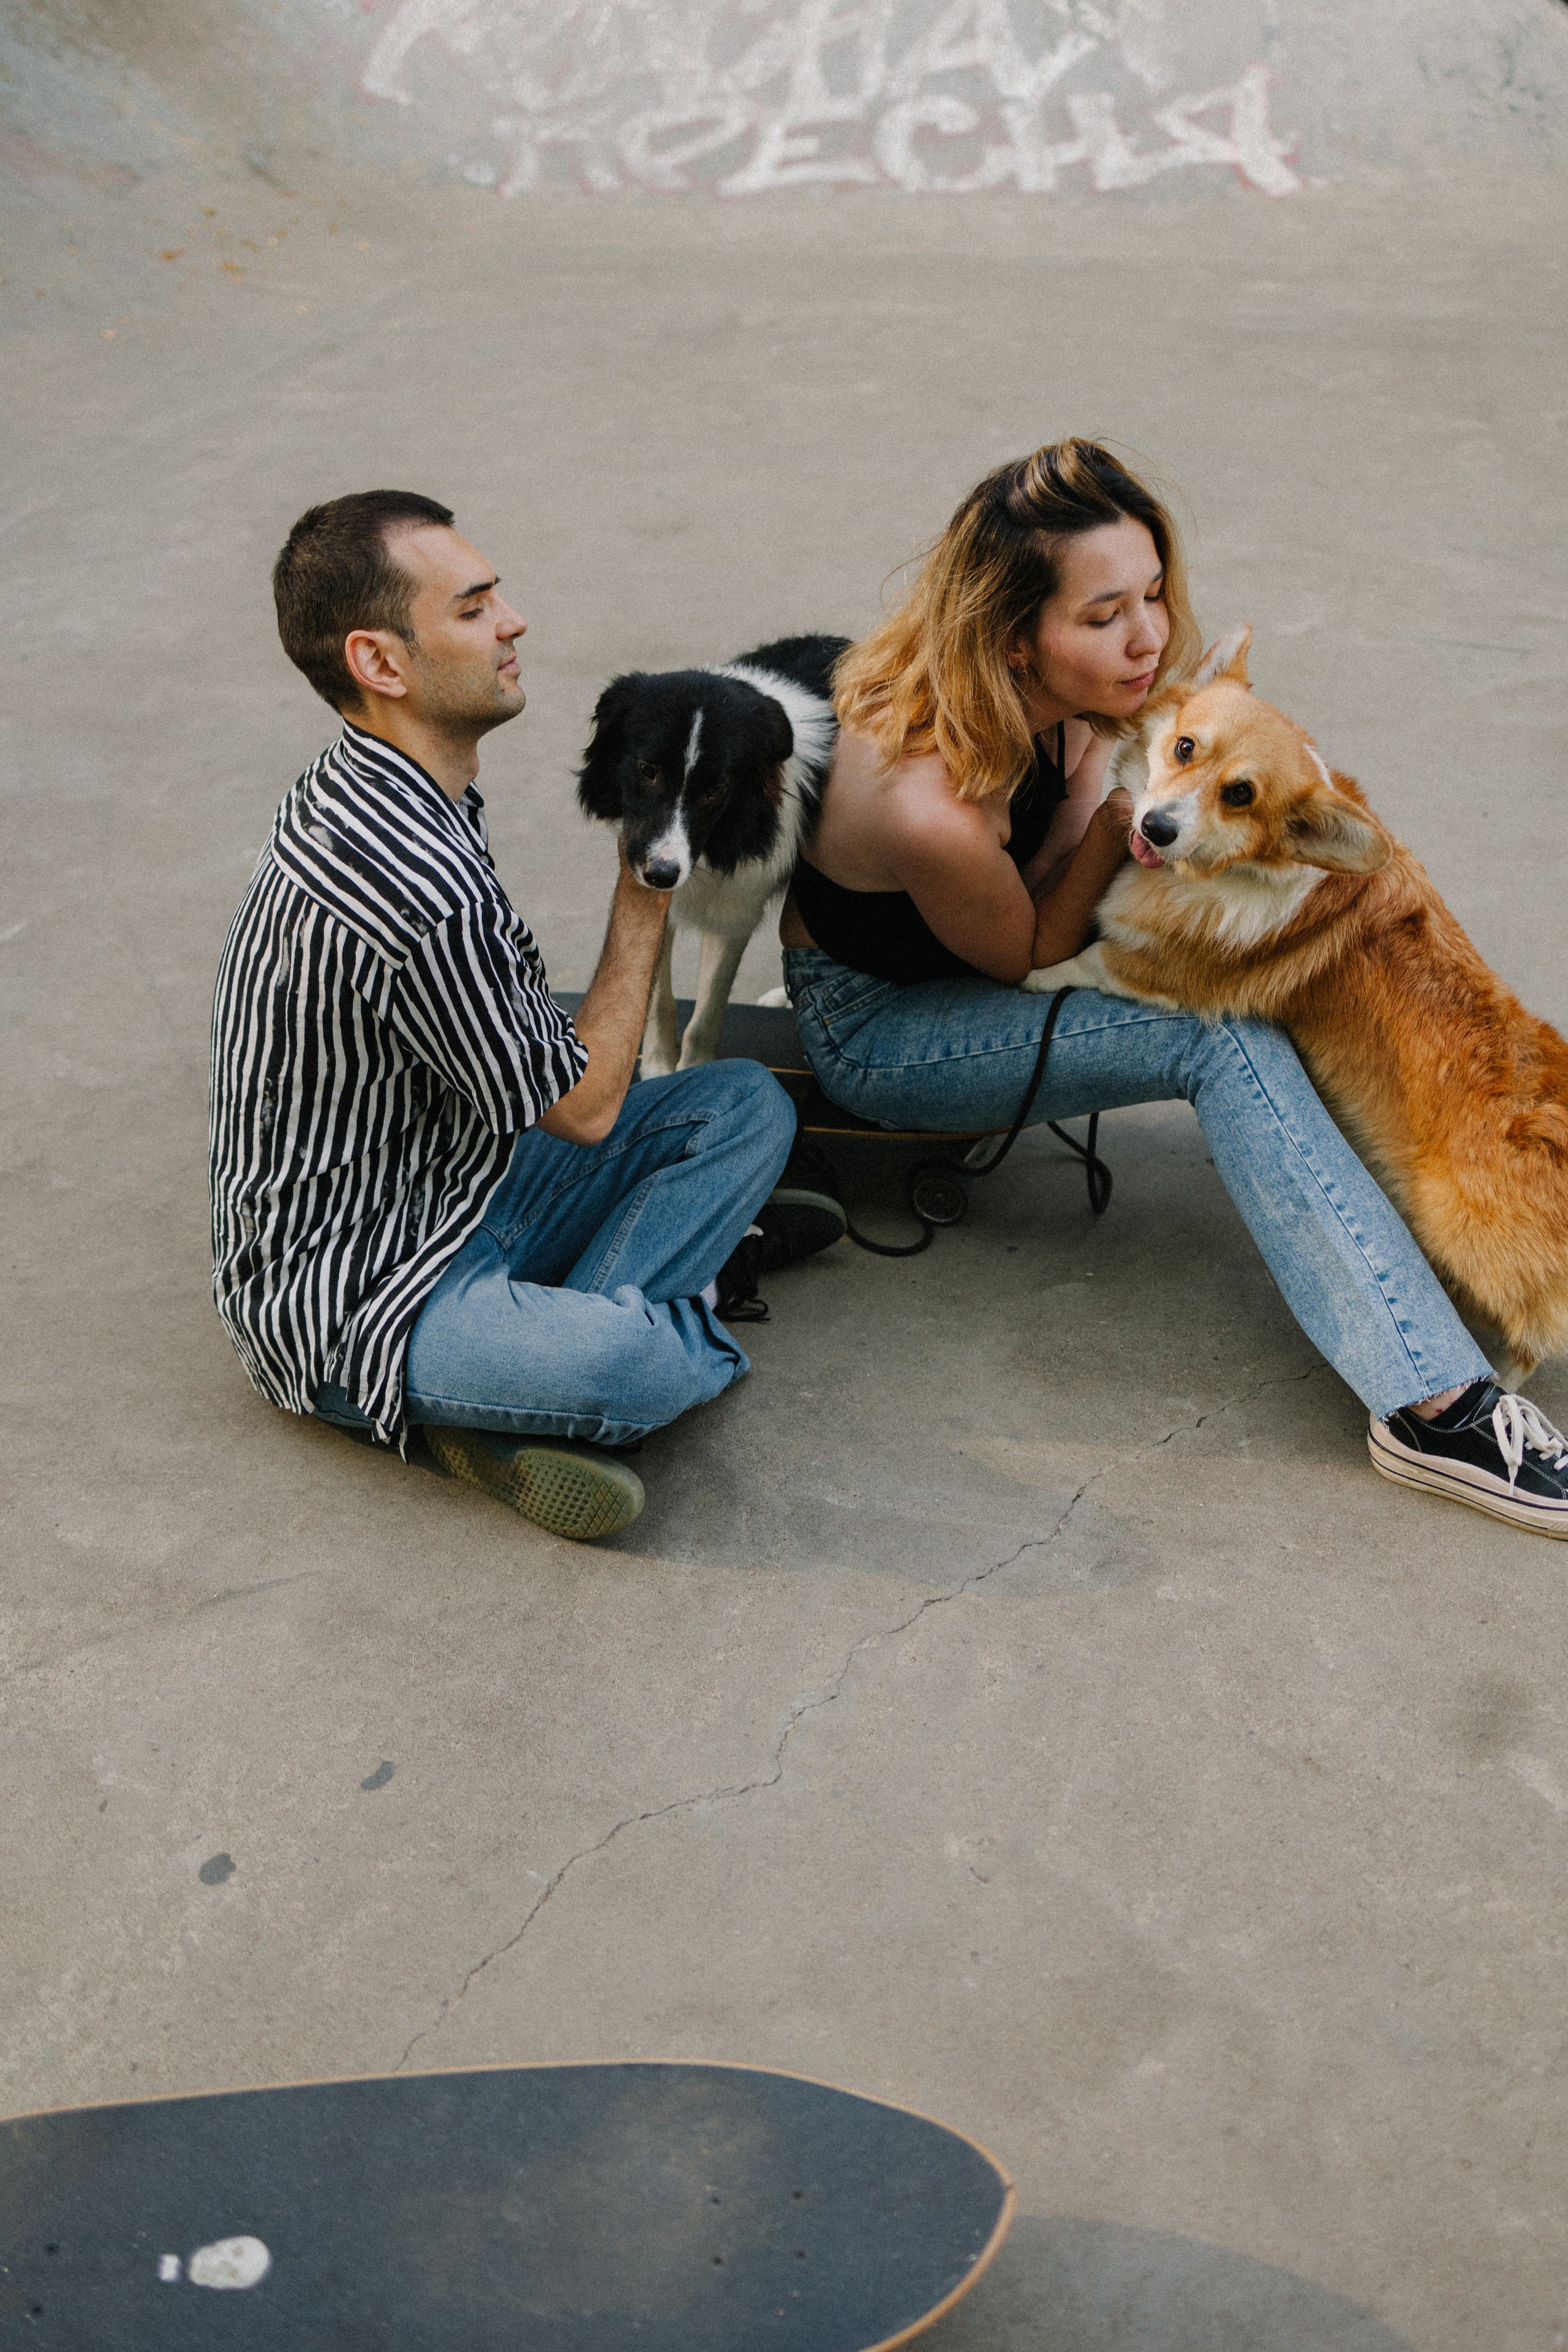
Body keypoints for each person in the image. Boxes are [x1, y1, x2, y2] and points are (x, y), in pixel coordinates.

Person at [780, 440, 1568, 1538]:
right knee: (1226, 1039)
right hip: (884, 1026)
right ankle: (1434, 1406)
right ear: (1014, 637)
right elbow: (1032, 946)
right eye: (1104, 616)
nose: (1150, 635)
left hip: (990, 923)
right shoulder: (931, 809)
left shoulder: (1051, 682)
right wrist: (1113, 813)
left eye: (1151, 593)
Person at [209, 490, 842, 1542]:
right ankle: (599, 1353)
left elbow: (524, 1059)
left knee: (741, 1106)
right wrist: (646, 888)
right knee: (626, 1366)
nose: (514, 622)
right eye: (474, 607)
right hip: (351, 1290)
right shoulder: (416, 883)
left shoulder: (391, 787)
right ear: (381, 663)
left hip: (461, 1171)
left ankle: (544, 1360)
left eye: (497, 595)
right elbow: (589, 1110)